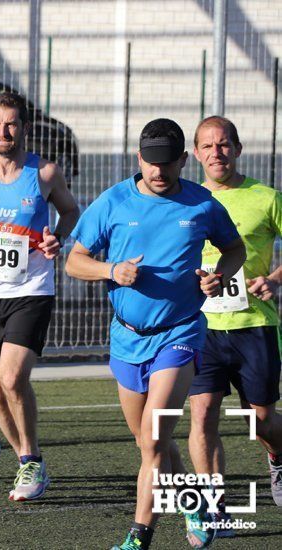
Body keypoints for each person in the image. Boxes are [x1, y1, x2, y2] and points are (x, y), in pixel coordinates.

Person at [65, 118, 246, 549]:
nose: (158, 172)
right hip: (127, 338)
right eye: (150, 162)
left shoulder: (202, 205)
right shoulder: (112, 203)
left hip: (179, 333)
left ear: (184, 160)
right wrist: (112, 270)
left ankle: (138, 535)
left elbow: (234, 248)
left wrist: (218, 275)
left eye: (168, 164)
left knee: (153, 439)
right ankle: (194, 500)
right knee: (151, 445)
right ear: (138, 158)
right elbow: (75, 261)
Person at [0, 91, 80, 501]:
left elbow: (72, 212)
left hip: (32, 289)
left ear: (24, 128)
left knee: (12, 378)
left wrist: (57, 237)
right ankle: (25, 457)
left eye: (11, 124)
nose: (3, 131)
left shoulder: (44, 173)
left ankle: (32, 462)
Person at [187, 116, 282, 536]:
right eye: (207, 147)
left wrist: (274, 279)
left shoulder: (266, 197)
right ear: (195, 155)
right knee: (202, 414)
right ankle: (216, 507)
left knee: (258, 419)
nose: (216, 153)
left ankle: (277, 458)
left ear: (238, 149)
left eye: (224, 145)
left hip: (254, 325)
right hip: (200, 327)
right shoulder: (185, 201)